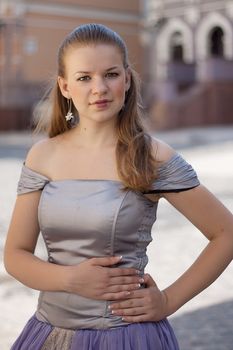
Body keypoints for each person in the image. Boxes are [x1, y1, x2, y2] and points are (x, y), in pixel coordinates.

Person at [4, 23, 233, 350]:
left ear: (127, 79)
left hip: (126, 336)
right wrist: (70, 279)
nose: (99, 88)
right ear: (65, 86)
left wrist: (168, 301)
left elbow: (226, 232)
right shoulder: (43, 155)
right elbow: (15, 255)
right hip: (48, 333)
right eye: (84, 77)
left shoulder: (151, 156)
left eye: (110, 74)